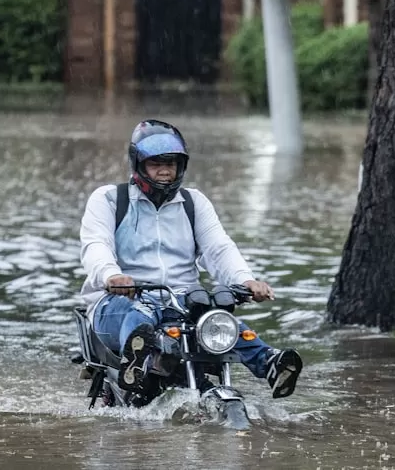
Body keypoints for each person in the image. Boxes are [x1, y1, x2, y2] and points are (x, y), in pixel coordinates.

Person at [78, 119, 303, 399]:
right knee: (141, 316)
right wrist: (111, 275)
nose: (164, 171)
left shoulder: (194, 203)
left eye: (171, 164)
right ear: (138, 164)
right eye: (155, 163)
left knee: (217, 318)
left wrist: (246, 280)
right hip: (120, 301)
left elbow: (219, 248)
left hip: (181, 300)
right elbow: (95, 244)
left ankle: (269, 362)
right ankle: (137, 362)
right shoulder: (109, 199)